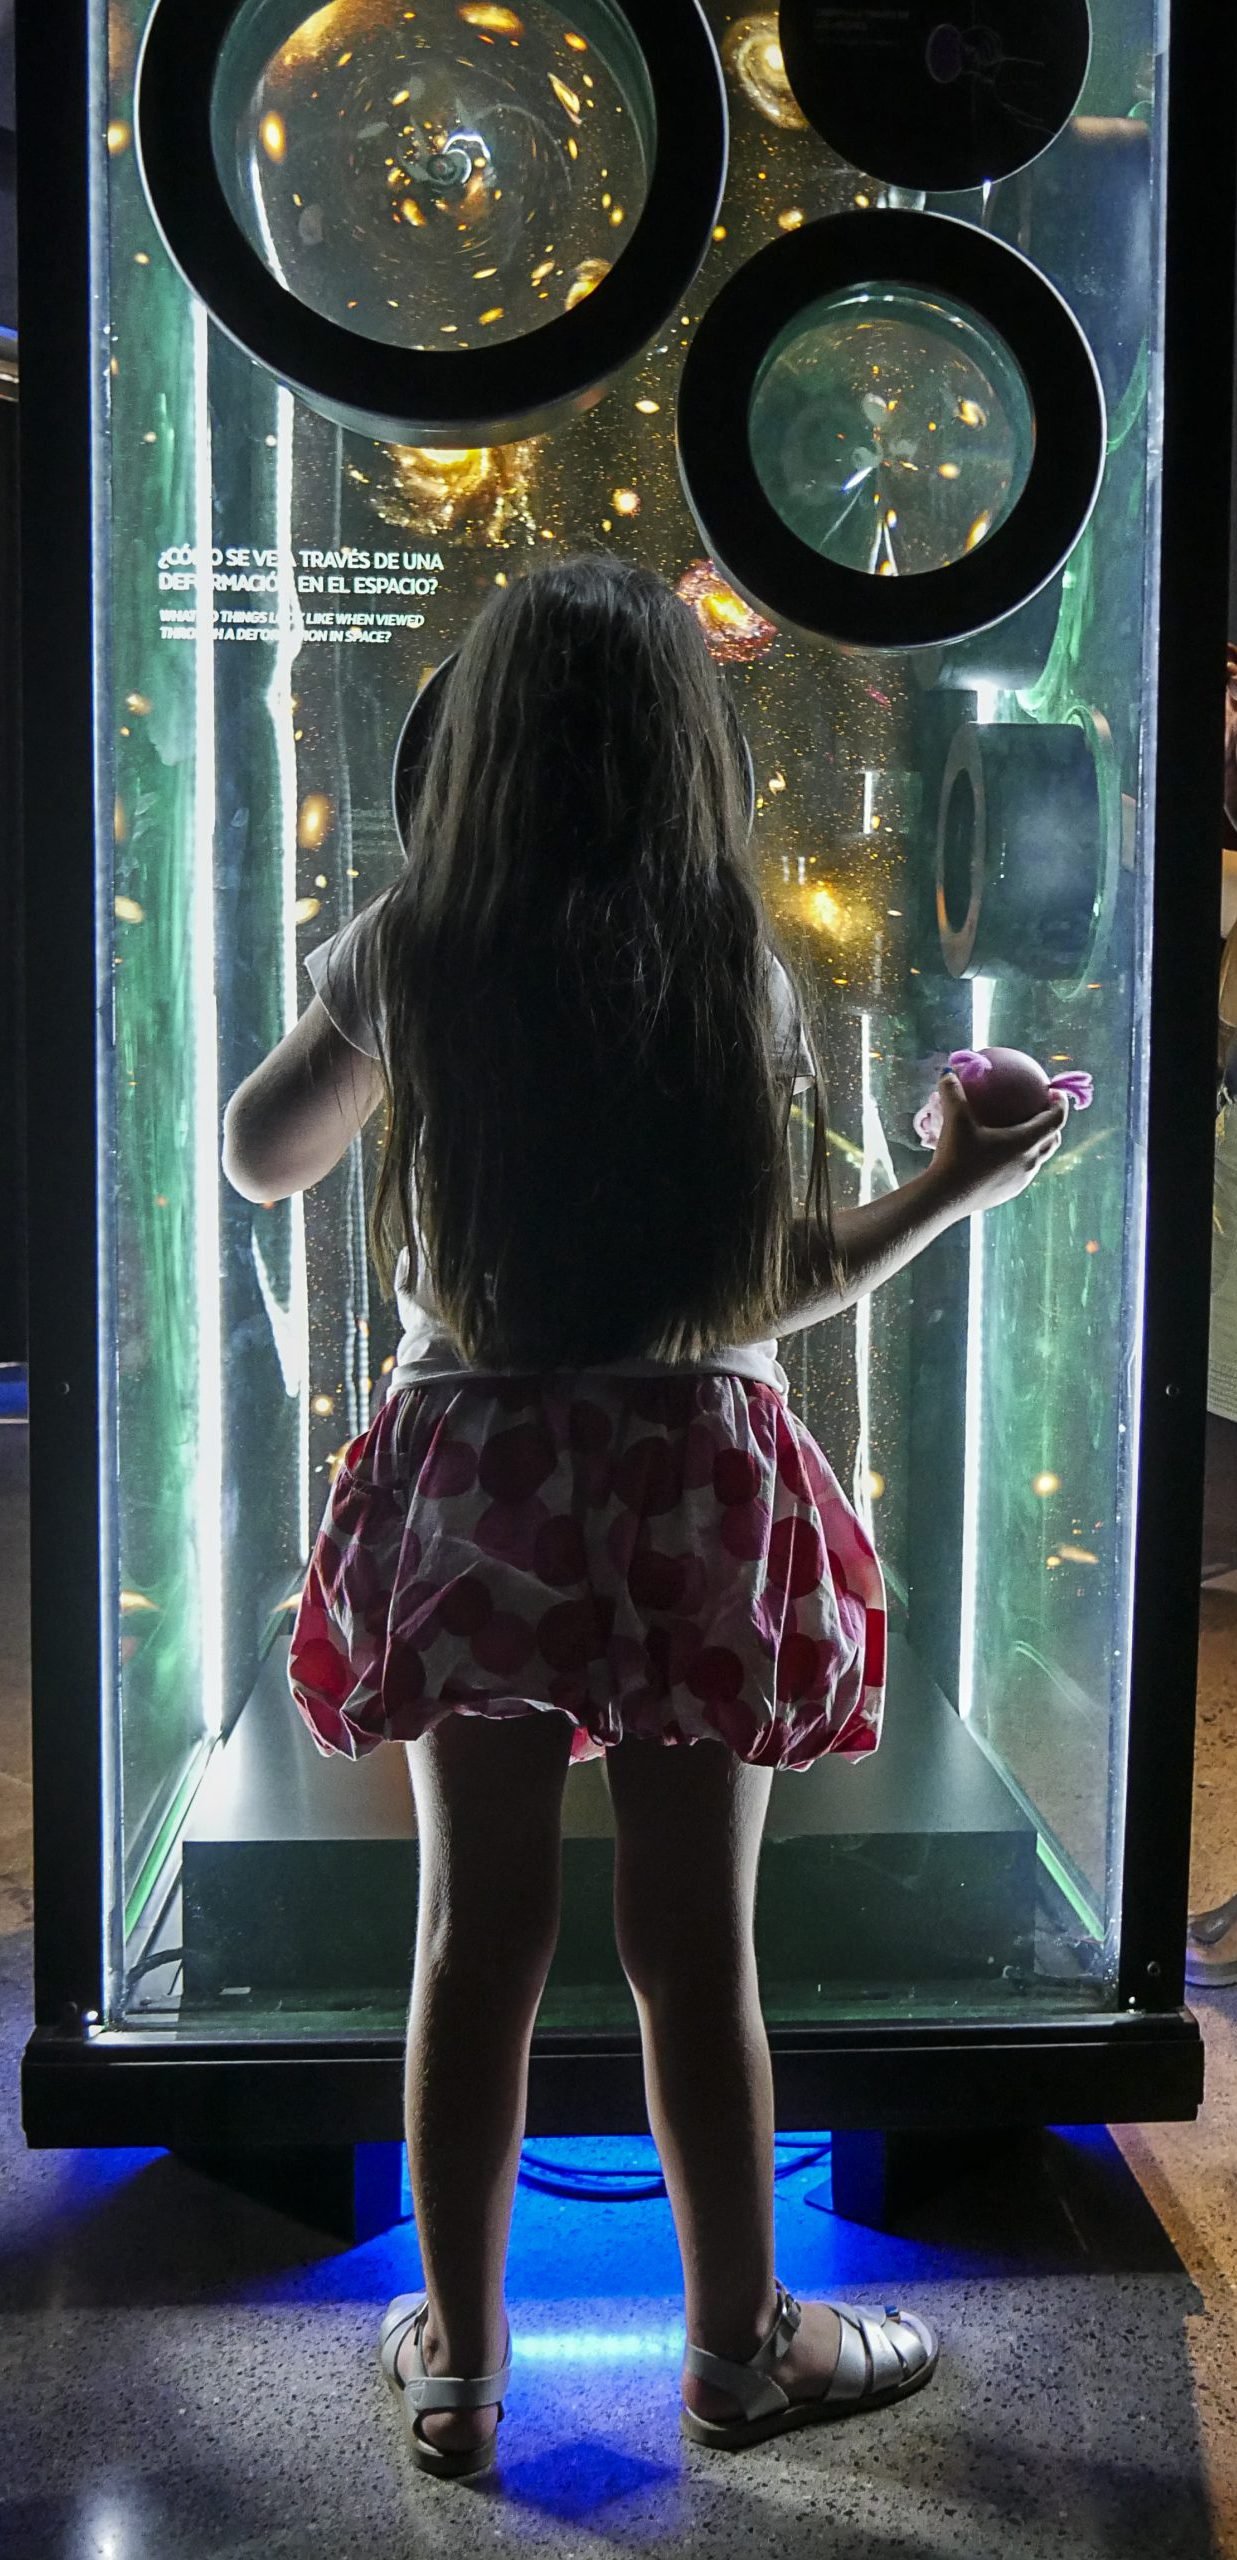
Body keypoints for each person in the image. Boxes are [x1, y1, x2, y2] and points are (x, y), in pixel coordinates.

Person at [222, 555, 1068, 2481]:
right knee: (696, 1941)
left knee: (476, 1934)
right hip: (691, 1469)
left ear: (472, 747)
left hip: (477, 1467)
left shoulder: (413, 944)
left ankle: (460, 2367)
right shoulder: (722, 962)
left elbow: (261, 1157)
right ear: (695, 754)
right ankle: (738, 2349)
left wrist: (385, 1020)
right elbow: (765, 1280)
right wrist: (952, 1181)